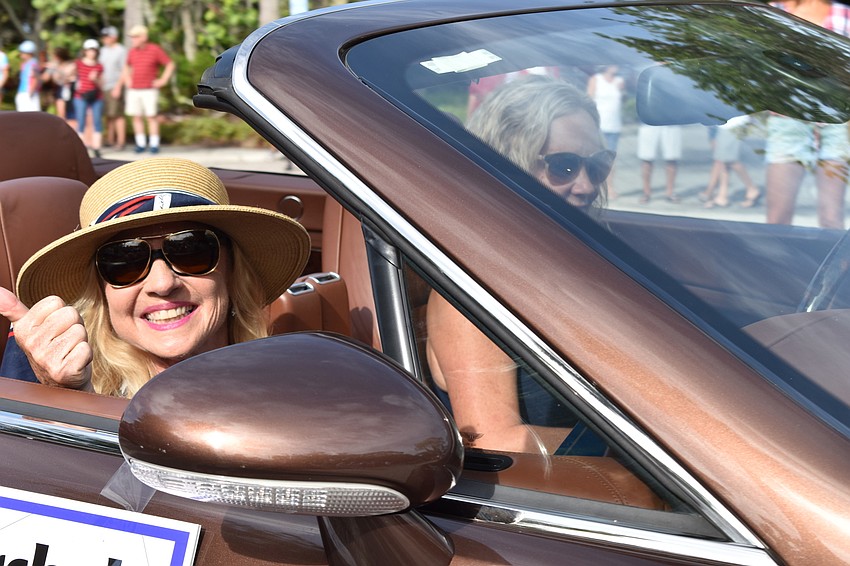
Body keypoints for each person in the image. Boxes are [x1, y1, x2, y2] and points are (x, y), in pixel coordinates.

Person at [0, 157, 310, 397]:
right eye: (124, 261)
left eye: (191, 250)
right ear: (101, 291)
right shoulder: (47, 369)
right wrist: (70, 398)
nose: (163, 284)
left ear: (231, 270)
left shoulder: (297, 388)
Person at [428, 76, 612, 453]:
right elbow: (496, 442)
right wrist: (646, 457)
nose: (586, 186)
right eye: (564, 167)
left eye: (597, 167)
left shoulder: (574, 259)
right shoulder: (470, 294)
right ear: (509, 164)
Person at [765, 0, 850, 229]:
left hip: (836, 123)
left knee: (832, 218)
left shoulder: (844, 13)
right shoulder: (774, 11)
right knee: (777, 218)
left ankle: (837, 266)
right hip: (787, 121)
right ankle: (778, 265)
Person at [120, 25, 175, 154]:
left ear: (143, 37)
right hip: (134, 89)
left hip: (149, 89)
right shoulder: (132, 52)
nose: (133, 39)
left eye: (136, 37)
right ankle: (140, 143)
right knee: (136, 117)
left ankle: (154, 144)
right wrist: (127, 79)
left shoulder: (154, 49)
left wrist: (163, 79)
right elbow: (127, 66)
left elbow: (169, 64)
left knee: (151, 117)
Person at [700, 117, 760, 208]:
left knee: (730, 160)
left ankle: (751, 188)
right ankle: (722, 196)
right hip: (728, 124)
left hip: (733, 124)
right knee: (722, 160)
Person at [587, 65, 625, 198]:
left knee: (610, 159)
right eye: (612, 64)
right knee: (595, 157)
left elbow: (623, 100)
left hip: (614, 126)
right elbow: (588, 100)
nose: (615, 67)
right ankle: (593, 185)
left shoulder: (619, 81)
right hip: (598, 126)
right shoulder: (595, 79)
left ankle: (609, 187)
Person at [74, 39, 105, 158]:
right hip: (81, 95)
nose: (91, 53)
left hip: (96, 96)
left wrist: (95, 79)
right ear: (85, 51)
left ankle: (96, 147)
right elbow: (70, 74)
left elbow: (102, 84)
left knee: (97, 121)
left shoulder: (99, 66)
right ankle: (80, 147)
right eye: (89, 50)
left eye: (94, 50)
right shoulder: (78, 63)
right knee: (81, 120)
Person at [637, 124, 682, 204]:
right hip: (649, 122)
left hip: (671, 122)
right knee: (646, 158)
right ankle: (646, 193)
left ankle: (670, 192)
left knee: (672, 158)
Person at [99, 26, 127, 150]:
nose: (104, 39)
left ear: (114, 37)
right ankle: (110, 139)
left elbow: (124, 70)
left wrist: (118, 87)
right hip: (103, 87)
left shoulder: (121, 50)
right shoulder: (102, 50)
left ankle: (121, 141)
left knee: (117, 115)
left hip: (115, 85)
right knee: (108, 115)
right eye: (103, 36)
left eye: (107, 36)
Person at [41, 47, 77, 126]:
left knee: (72, 116)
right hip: (60, 90)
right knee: (61, 114)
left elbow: (66, 76)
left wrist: (55, 68)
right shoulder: (54, 65)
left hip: (71, 90)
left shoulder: (71, 64)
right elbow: (45, 78)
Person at [15, 40, 41, 112]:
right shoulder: (26, 64)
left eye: (22, 52)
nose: (20, 54)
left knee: (32, 115)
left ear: (28, 53)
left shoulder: (33, 63)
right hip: (23, 92)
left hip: (28, 93)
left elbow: (35, 78)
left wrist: (30, 93)